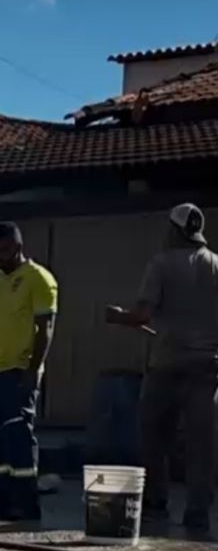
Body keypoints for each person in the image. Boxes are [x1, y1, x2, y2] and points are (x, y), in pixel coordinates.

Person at [106, 203, 218, 533]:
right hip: (208, 367)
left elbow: (142, 315)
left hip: (167, 364)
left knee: (154, 436)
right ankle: (198, 512)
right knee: (203, 443)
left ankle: (156, 504)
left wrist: (117, 316)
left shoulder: (162, 263)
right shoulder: (216, 265)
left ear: (173, 230)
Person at [0, 221, 58, 521]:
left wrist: (33, 369)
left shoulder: (38, 278)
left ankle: (26, 502)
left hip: (19, 370)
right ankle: (2, 497)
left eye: (5, 250)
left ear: (19, 247)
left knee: (19, 436)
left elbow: (45, 328)